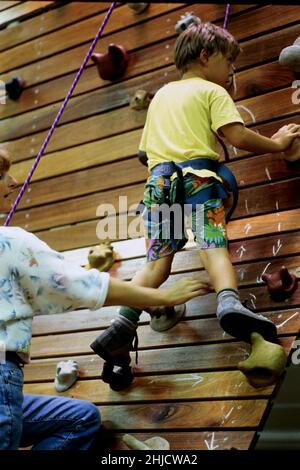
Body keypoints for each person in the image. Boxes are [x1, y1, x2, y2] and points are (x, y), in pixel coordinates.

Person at [90, 21, 300, 386]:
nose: (231, 72)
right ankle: (229, 301)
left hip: (158, 183)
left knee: (156, 263)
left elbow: (144, 152)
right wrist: (279, 142)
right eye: (229, 63)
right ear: (205, 56)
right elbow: (236, 135)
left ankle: (123, 323)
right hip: (198, 178)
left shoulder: (160, 98)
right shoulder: (211, 91)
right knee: (211, 244)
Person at [0, 149, 207, 450]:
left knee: (79, 418)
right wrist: (160, 295)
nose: (14, 181)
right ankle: (127, 320)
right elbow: (78, 285)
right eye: (4, 175)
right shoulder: (10, 241)